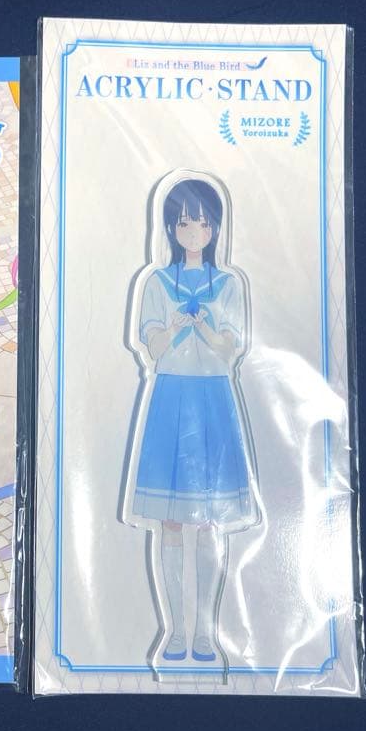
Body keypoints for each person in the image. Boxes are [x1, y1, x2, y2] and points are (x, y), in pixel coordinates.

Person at [127, 177, 253, 663]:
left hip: (213, 398)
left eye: (202, 222)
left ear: (215, 228)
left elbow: (230, 348)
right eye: (184, 223)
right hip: (171, 399)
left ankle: (205, 631)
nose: (194, 231)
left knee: (209, 521)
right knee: (172, 523)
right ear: (171, 228)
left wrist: (207, 326)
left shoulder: (229, 284)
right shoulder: (157, 283)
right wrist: (177, 327)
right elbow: (152, 347)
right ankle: (176, 631)